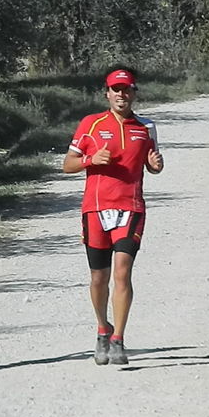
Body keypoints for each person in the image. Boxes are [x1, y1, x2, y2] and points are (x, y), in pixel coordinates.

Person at [63, 65, 164, 365]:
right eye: (115, 89)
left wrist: (157, 164)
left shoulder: (146, 127)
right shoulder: (91, 124)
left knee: (122, 272)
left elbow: (153, 164)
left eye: (127, 89)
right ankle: (102, 328)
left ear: (135, 92)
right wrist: (90, 159)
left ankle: (118, 337)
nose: (122, 95)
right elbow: (67, 164)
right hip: (95, 209)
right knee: (98, 278)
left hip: (130, 208)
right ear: (106, 93)